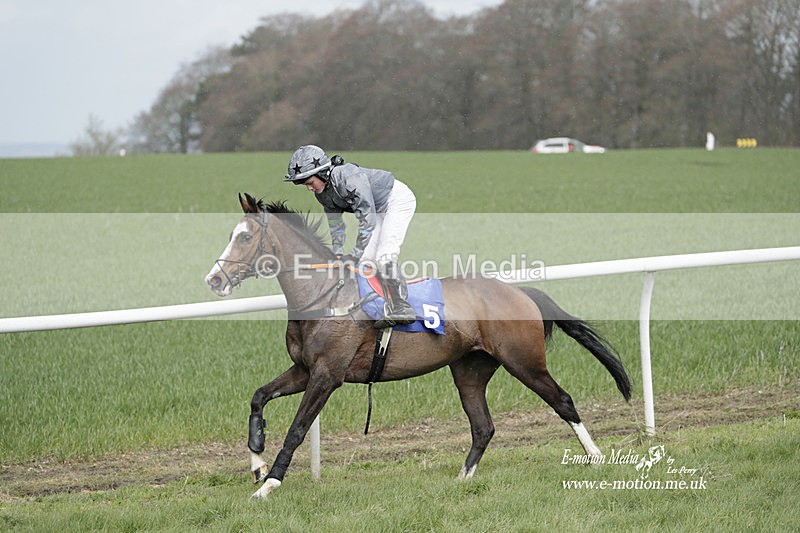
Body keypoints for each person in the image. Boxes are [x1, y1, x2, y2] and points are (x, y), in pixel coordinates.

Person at [284, 145, 417, 329]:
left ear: (322, 174)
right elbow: (336, 225)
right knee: (365, 262)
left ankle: (402, 307)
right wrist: (337, 255)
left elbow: (367, 220)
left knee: (385, 254)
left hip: (396, 200)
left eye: (310, 183)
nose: (309, 188)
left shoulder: (348, 178)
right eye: (306, 185)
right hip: (377, 209)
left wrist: (353, 254)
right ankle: (380, 304)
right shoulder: (323, 194)